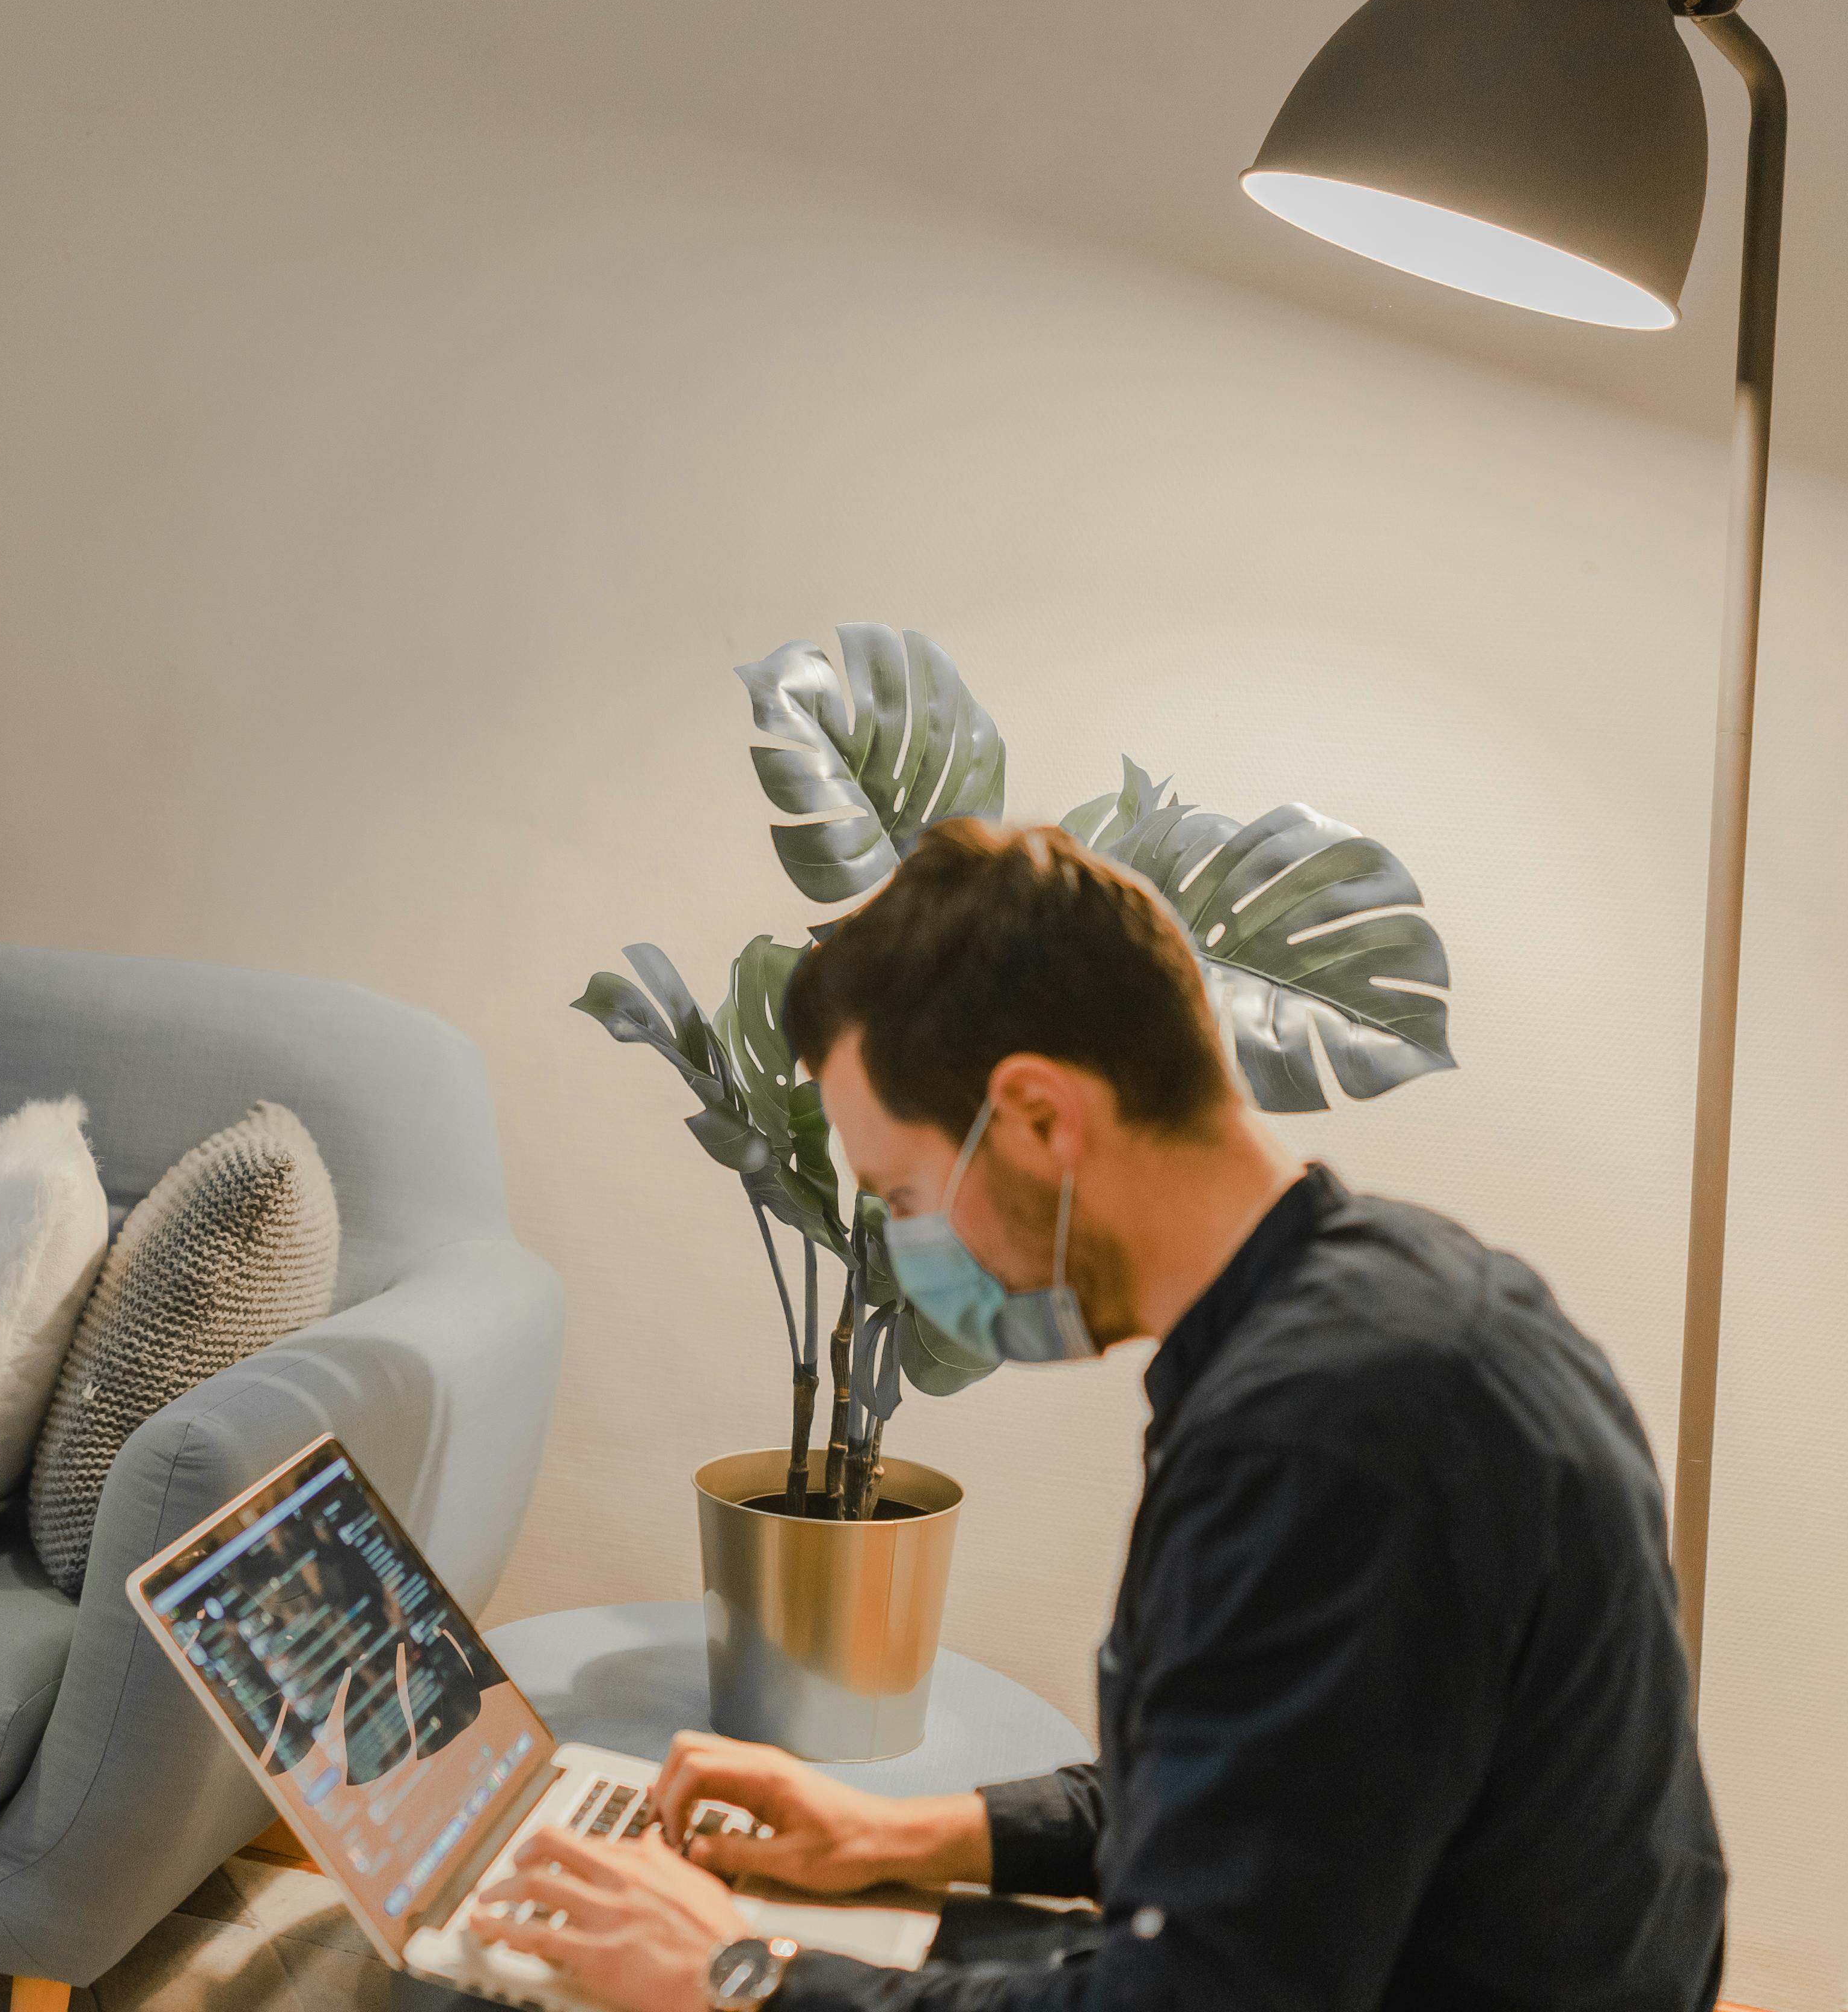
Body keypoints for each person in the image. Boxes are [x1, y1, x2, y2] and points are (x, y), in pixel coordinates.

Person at [471, 819, 1724, 2011]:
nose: (914, 1249)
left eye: (906, 1190)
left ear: (1038, 1115)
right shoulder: (1412, 1296)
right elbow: (1278, 1793)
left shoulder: (1323, 1436)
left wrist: (740, 1973)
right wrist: (899, 1830)